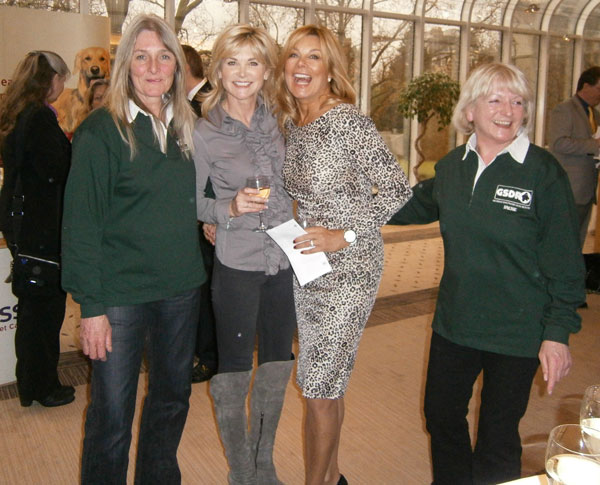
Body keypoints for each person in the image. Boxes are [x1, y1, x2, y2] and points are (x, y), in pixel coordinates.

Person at [389, 62, 585, 485]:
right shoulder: (453, 167)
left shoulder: (542, 172)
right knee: (440, 417)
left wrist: (557, 333)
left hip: (516, 330)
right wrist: (340, 203)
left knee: (498, 435)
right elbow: (408, 207)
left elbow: (566, 262)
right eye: (494, 99)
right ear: (470, 110)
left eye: (517, 101)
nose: (507, 110)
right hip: (455, 322)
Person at [61, 14, 206, 483]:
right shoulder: (101, 132)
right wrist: (92, 308)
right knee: (112, 415)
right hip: (119, 295)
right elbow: (81, 227)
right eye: (140, 56)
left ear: (176, 67)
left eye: (164, 56)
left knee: (171, 401)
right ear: (125, 64)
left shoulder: (187, 127)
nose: (152, 67)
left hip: (181, 289)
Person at [276, 25, 412, 485]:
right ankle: (333, 478)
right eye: (294, 55)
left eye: (313, 57)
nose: (301, 65)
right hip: (307, 265)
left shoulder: (348, 121)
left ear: (331, 70)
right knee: (326, 379)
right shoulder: (292, 123)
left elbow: (397, 189)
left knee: (316, 385)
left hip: (350, 265)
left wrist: (344, 234)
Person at [192, 24, 297, 485]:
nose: (242, 72)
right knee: (234, 372)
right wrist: (226, 208)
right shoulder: (204, 130)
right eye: (232, 61)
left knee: (276, 365)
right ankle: (240, 469)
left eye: (253, 62)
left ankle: (264, 462)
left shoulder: (285, 122)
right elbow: (191, 201)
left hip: (285, 261)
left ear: (267, 71)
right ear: (217, 69)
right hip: (236, 263)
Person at [0, 50, 74, 408]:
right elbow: (56, 170)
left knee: (32, 312)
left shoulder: (18, 115)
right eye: (62, 78)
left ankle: (32, 383)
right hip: (42, 230)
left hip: (23, 224)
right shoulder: (40, 119)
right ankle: (43, 386)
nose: (64, 86)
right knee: (44, 313)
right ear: (51, 79)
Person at [182, 43, 218, 383]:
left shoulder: (205, 103)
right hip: (201, 213)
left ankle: (209, 358)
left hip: (211, 216)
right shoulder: (196, 102)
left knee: (207, 288)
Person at [548, 66, 600, 247]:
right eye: (599, 89)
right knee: (563, 243)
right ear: (586, 86)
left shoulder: (595, 114)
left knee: (578, 242)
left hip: (587, 189)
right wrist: (595, 145)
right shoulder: (564, 110)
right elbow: (559, 143)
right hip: (570, 188)